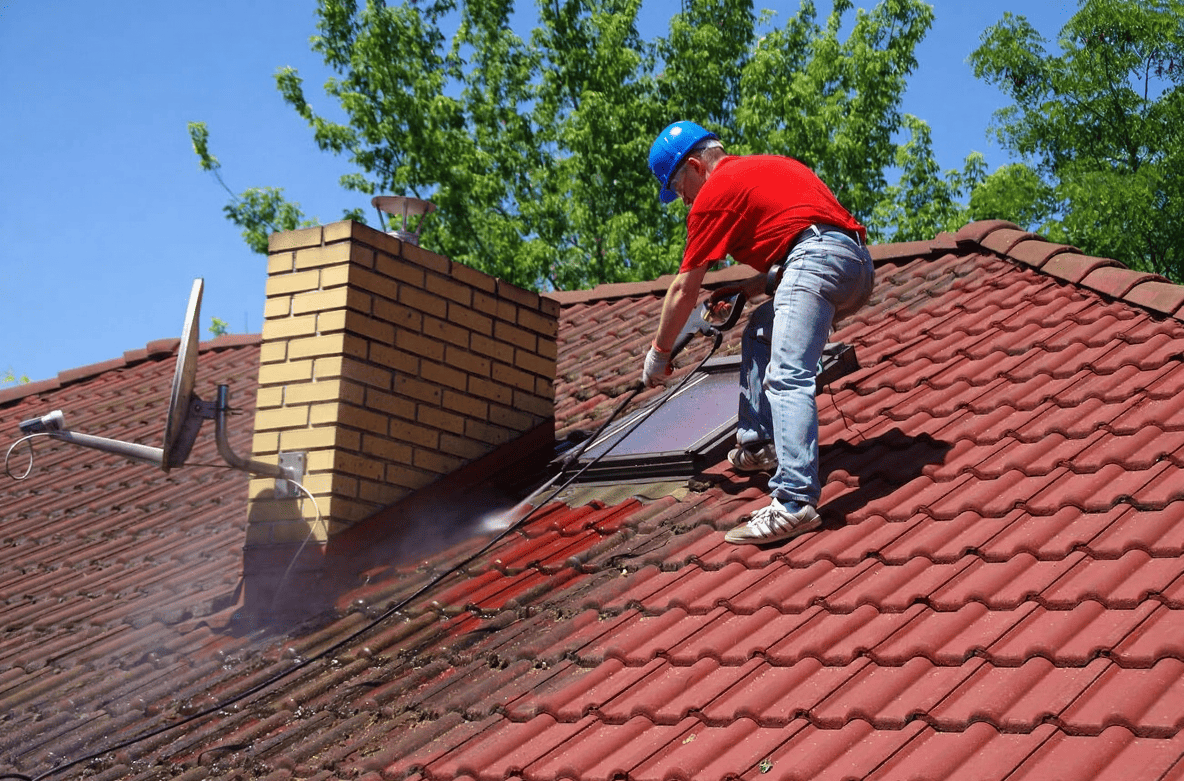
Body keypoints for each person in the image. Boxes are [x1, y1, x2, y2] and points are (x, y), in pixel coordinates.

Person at [643, 120, 874, 545]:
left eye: (679, 189)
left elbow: (682, 288)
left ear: (695, 166)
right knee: (761, 331)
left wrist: (659, 354)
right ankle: (759, 445)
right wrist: (748, 288)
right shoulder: (766, 167)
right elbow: (811, 245)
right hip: (856, 266)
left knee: (787, 374)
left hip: (815, 260)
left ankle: (794, 503)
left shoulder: (713, 192)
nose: (683, 201)